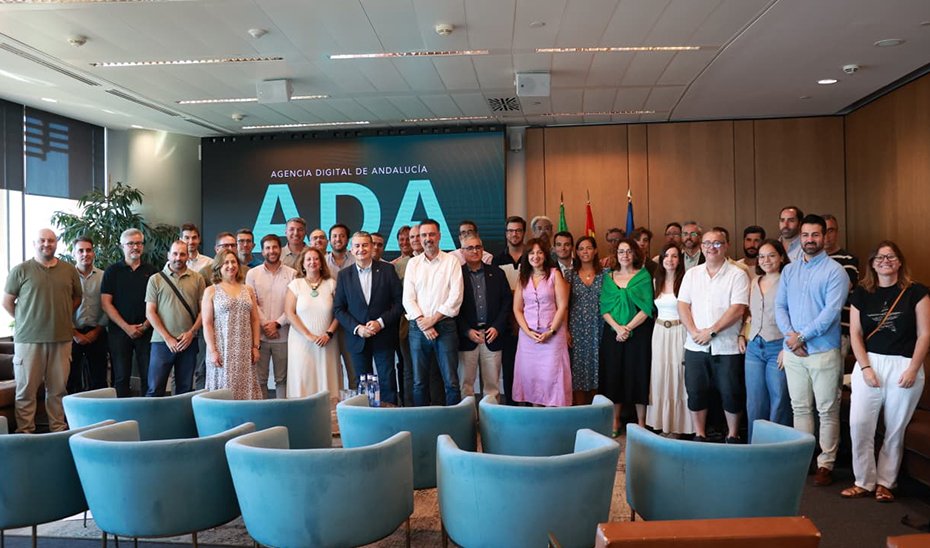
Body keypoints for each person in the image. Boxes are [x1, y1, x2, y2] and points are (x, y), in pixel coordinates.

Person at [842, 241, 929, 503]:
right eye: (879, 257)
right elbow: (855, 334)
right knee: (859, 424)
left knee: (895, 428)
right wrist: (865, 367)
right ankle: (863, 481)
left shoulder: (916, 292)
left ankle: (885, 482)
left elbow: (925, 334)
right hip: (869, 362)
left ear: (899, 262)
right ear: (872, 263)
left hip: (905, 364)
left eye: (891, 257)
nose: (885, 261)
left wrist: (913, 368)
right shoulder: (861, 293)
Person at [775, 214, 848, 486]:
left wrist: (801, 337)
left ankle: (826, 463)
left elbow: (831, 313)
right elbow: (780, 307)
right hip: (794, 352)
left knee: (827, 409)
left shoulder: (836, 272)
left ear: (825, 236)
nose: (810, 240)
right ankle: (804, 458)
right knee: (800, 407)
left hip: (823, 351)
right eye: (805, 235)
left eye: (815, 235)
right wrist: (791, 338)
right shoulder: (789, 271)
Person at [2, 228, 81, 433]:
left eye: (51, 240)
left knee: (58, 391)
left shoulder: (69, 270)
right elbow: (7, 302)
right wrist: (26, 320)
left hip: (61, 339)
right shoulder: (21, 270)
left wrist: (61, 315)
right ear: (35, 243)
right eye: (42, 240)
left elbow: (76, 299)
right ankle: (25, 432)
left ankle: (58, 430)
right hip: (28, 340)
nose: (47, 244)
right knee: (26, 391)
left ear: (56, 243)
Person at [678, 227, 749, 443]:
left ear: (726, 246)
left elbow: (738, 309)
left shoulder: (737, 275)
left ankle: (733, 435)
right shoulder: (692, 274)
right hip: (695, 345)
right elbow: (683, 305)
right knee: (696, 391)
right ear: (702, 247)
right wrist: (694, 331)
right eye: (707, 243)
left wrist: (711, 331)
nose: (712, 247)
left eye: (717, 243)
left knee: (731, 393)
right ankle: (699, 434)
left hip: (727, 347)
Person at [333, 232, 404, 404]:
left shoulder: (387, 270)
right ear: (351, 250)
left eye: (365, 245)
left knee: (387, 381)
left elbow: (399, 303)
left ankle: (389, 416)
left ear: (372, 247)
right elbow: (339, 309)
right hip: (358, 338)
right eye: (357, 246)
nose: (361, 249)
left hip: (384, 336)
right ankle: (365, 416)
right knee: (362, 384)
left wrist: (380, 323)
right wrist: (358, 328)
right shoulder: (344, 275)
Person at [403, 219, 464, 406]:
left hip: (445, 327)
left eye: (431, 234)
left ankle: (454, 421)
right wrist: (424, 322)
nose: (427, 238)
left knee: (451, 381)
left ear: (439, 236)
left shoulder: (451, 262)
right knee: (419, 382)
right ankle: (421, 421)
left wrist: (433, 320)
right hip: (418, 328)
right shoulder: (413, 264)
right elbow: (408, 299)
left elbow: (456, 297)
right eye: (424, 235)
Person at [599, 239, 654, 432]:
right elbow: (604, 308)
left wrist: (627, 328)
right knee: (613, 375)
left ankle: (641, 422)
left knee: (638, 374)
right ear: (616, 254)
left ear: (635, 254)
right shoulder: (609, 277)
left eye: (629, 251)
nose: (625, 255)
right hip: (612, 333)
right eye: (621, 251)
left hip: (638, 333)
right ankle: (615, 420)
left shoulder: (644, 276)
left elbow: (647, 308)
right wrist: (618, 328)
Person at [740, 239, 792, 441]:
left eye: (771, 255)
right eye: (761, 256)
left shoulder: (787, 282)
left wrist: (787, 347)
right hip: (754, 346)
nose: (766, 260)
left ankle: (776, 448)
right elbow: (749, 313)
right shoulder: (754, 281)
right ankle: (755, 446)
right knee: (754, 400)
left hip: (778, 346)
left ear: (781, 257)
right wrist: (741, 334)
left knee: (778, 399)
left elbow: (795, 316)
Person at [512, 238, 571, 407]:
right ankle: (536, 414)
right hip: (528, 338)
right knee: (532, 377)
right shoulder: (523, 277)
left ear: (545, 255)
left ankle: (552, 416)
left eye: (539, 252)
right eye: (531, 253)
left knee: (552, 377)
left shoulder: (554, 274)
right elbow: (517, 309)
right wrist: (528, 332)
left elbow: (562, 306)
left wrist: (551, 331)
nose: (535, 256)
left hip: (552, 335)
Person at [102, 228, 158, 397]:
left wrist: (145, 326)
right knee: (121, 378)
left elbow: (158, 303)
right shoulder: (112, 271)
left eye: (139, 243)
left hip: (147, 331)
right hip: (119, 332)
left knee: (148, 377)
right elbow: (106, 303)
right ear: (122, 246)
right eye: (131, 243)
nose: (135, 247)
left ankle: (147, 411)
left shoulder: (153, 272)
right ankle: (122, 412)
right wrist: (127, 327)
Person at [145, 240, 206, 396]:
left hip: (188, 342)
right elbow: (150, 312)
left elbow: (203, 311)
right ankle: (152, 414)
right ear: (168, 255)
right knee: (154, 388)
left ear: (188, 256)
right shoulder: (155, 279)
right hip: (161, 342)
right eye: (175, 254)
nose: (178, 258)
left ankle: (180, 414)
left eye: (182, 254)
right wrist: (168, 338)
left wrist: (191, 333)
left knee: (185, 389)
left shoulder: (198, 279)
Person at [456, 235, 512, 402]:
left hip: (492, 334)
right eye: (470, 248)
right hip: (467, 337)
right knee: (466, 386)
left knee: (492, 387)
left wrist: (497, 327)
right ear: (462, 251)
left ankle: (490, 417)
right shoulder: (456, 274)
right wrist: (466, 330)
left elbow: (506, 302)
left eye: (478, 247)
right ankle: (467, 418)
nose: (475, 251)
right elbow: (452, 307)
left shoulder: (497, 273)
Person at [645, 243, 693, 436]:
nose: (670, 260)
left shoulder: (686, 281)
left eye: (674, 256)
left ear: (679, 260)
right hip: (659, 333)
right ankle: (663, 424)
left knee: (678, 375)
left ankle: (678, 427)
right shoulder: (656, 280)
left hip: (679, 331)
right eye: (666, 256)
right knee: (660, 376)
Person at [202, 250, 262, 399]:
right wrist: (213, 351)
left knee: (246, 387)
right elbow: (207, 323)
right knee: (224, 389)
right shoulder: (211, 291)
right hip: (222, 349)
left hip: (245, 350)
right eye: (226, 263)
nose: (230, 266)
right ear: (219, 266)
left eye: (233, 262)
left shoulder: (248, 290)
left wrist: (255, 346)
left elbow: (255, 320)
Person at [246, 234, 297, 399]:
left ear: (280, 250)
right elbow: (252, 303)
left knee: (282, 379)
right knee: (260, 379)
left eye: (275, 247)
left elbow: (293, 305)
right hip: (259, 337)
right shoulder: (252, 274)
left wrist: (277, 324)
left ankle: (281, 411)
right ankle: (263, 411)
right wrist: (266, 324)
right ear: (262, 252)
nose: (271, 251)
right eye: (267, 248)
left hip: (283, 336)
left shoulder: (292, 274)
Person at [285, 247, 340, 399]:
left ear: (321, 263)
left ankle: (330, 411)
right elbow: (289, 313)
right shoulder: (295, 284)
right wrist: (308, 335)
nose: (312, 262)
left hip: (327, 341)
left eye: (316, 259)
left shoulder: (331, 284)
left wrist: (329, 333)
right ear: (302, 264)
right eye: (308, 259)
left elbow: (339, 312)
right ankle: (303, 410)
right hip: (301, 341)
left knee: (326, 377)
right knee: (303, 377)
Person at [566, 236, 604, 405]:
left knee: (599, 367)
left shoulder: (606, 274)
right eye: (581, 249)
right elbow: (564, 305)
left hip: (600, 326)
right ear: (576, 252)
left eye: (588, 248)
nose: (585, 252)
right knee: (578, 369)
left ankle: (597, 409)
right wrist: (566, 330)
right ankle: (581, 410)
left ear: (595, 250)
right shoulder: (569, 275)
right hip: (577, 327)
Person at [68, 236, 109, 394]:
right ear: (74, 254)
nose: (85, 254)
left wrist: (97, 330)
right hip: (71, 334)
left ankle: (100, 408)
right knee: (71, 378)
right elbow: (61, 307)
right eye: (81, 251)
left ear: (94, 253)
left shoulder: (104, 276)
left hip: (97, 332)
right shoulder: (66, 277)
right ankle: (72, 410)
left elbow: (108, 305)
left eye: (89, 250)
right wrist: (74, 333)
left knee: (99, 378)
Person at [824, 213, 860, 360]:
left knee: (834, 373)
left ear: (837, 232)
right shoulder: (807, 261)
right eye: (822, 231)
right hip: (811, 330)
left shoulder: (848, 260)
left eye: (830, 230)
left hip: (839, 329)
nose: (826, 235)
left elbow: (839, 291)